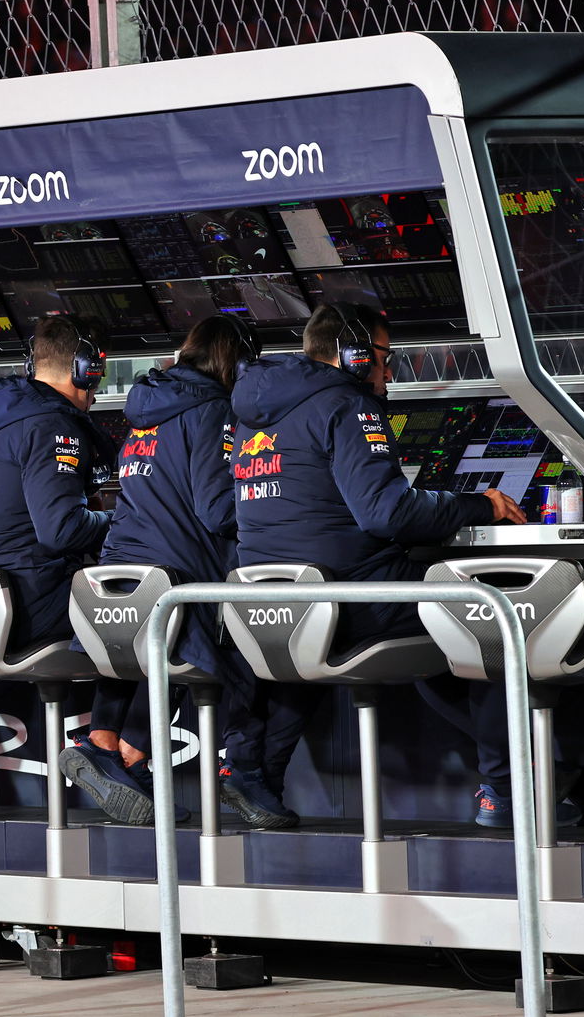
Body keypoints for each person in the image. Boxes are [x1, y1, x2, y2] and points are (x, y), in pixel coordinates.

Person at [230, 302, 527, 827]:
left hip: (272, 606)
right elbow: (387, 512)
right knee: (489, 621)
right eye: (386, 357)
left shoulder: (254, 413)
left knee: (439, 631)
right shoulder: (348, 405)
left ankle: (262, 781)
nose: (389, 371)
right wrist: (479, 504)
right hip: (353, 600)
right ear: (355, 353)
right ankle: (510, 792)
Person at [57, 315, 257, 825]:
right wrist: (267, 499)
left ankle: (102, 741)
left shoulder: (145, 410)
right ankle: (133, 754)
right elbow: (217, 509)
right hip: (175, 579)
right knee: (188, 646)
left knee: (134, 648)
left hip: (116, 574)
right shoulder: (213, 409)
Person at [0, 315, 117, 795]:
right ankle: (106, 752)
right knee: (141, 619)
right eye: (96, 376)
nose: (97, 389)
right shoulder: (52, 426)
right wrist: (120, 523)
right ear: (84, 369)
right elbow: (62, 530)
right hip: (26, 596)